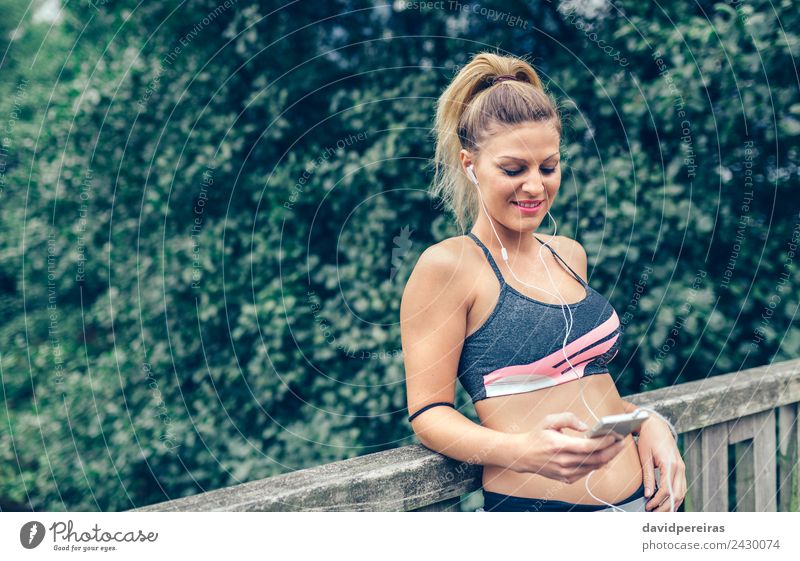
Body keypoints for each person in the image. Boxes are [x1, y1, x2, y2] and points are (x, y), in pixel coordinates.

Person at [400, 51, 686, 512]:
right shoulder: (448, 266)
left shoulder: (569, 254)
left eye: (548, 168)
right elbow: (429, 414)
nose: (534, 186)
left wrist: (646, 421)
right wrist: (525, 452)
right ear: (470, 164)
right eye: (513, 170)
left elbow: (585, 381)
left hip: (644, 506)